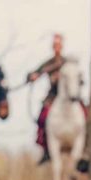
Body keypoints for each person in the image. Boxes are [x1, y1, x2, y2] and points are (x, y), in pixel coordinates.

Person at [27, 34, 67, 164]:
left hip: (68, 96)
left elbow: (79, 77)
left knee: (84, 113)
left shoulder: (67, 62)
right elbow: (34, 73)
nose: (57, 47)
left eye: (58, 44)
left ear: (62, 46)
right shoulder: (48, 63)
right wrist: (32, 76)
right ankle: (46, 149)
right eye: (55, 45)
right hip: (53, 96)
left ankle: (85, 148)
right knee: (42, 117)